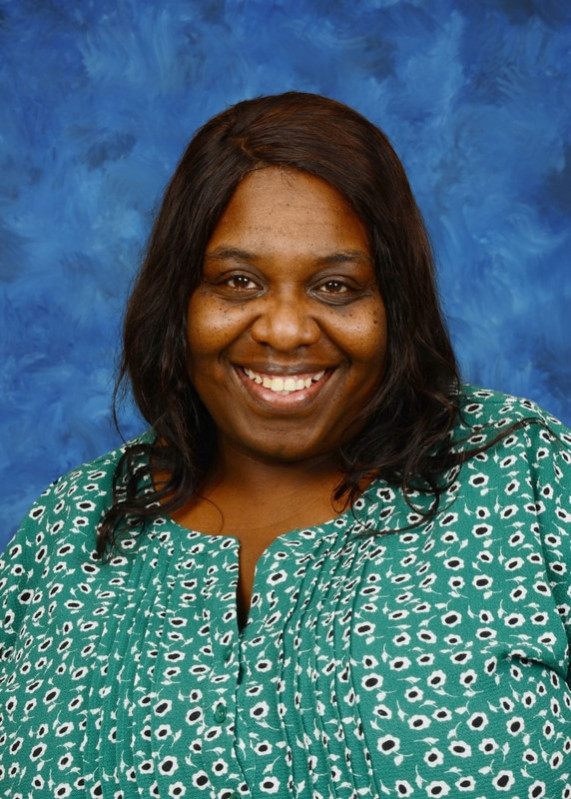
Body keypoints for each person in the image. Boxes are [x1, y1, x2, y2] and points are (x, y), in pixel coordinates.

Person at [0, 92, 570, 799]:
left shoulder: (523, 478)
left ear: (394, 303)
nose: (285, 329)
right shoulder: (69, 531)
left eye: (335, 286)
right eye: (238, 282)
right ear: (180, 299)